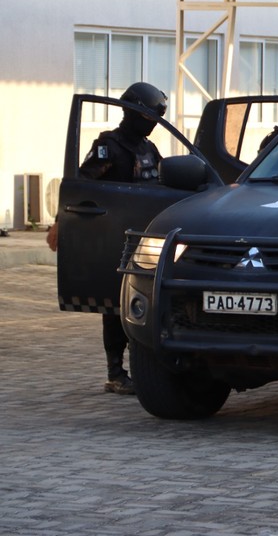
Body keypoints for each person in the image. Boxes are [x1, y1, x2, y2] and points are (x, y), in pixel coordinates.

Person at [59, 81, 168, 395]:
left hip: (145, 237)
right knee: (114, 305)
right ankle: (116, 373)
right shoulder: (110, 146)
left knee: (144, 301)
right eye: (147, 117)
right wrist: (61, 223)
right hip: (113, 237)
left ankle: (145, 369)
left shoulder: (149, 148)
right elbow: (82, 184)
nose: (150, 124)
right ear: (131, 112)